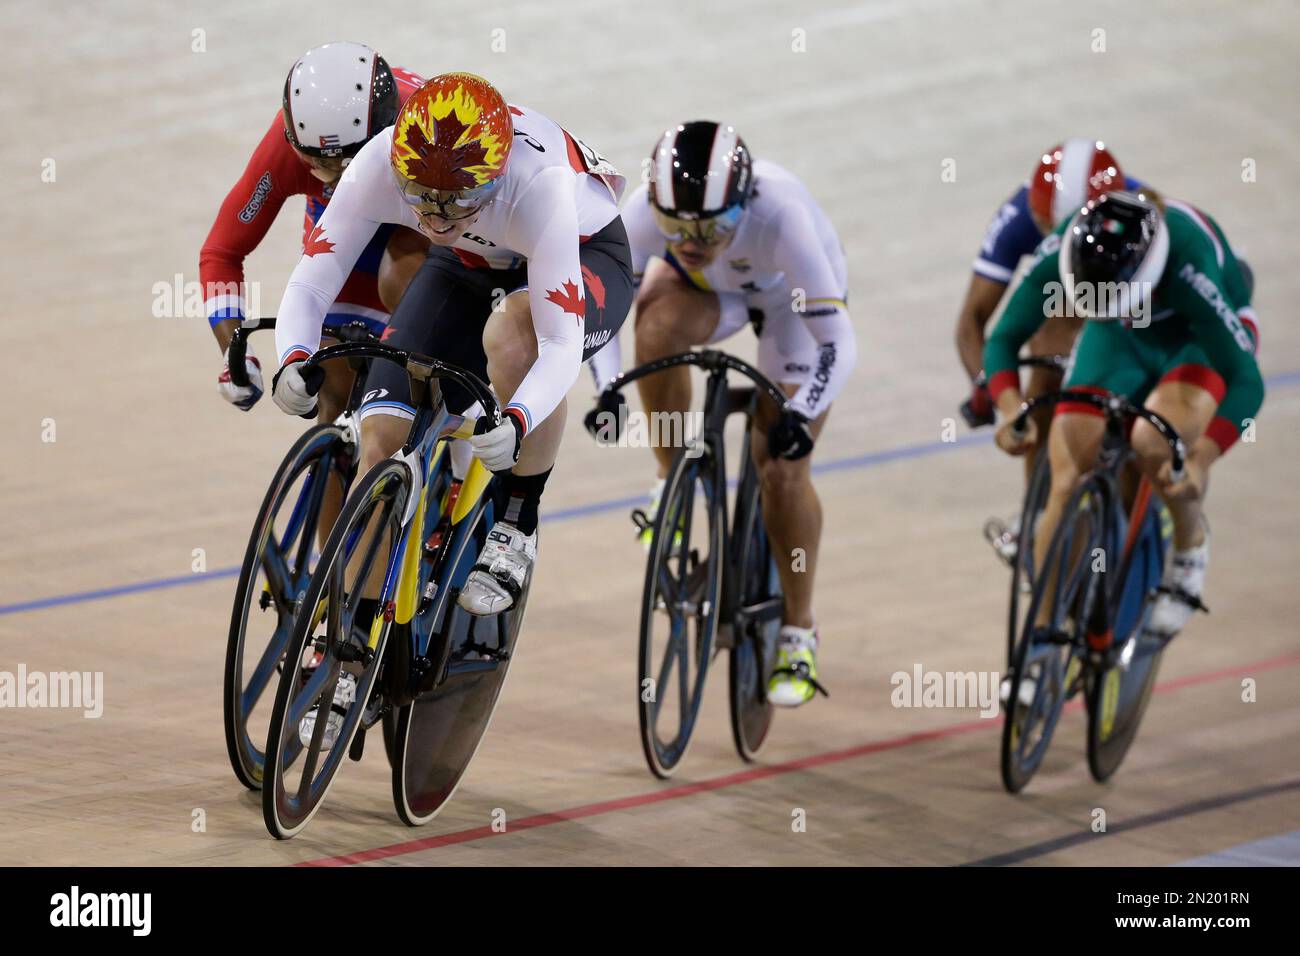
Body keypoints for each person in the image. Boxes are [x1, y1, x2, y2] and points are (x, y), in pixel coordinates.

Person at [270, 72, 633, 631]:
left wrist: (518, 418)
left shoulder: (539, 186)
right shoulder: (379, 163)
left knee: (514, 338)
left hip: (583, 253)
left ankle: (517, 522)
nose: (436, 217)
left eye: (456, 201)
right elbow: (312, 283)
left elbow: (559, 345)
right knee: (380, 442)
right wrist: (294, 355)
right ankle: (354, 643)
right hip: (469, 263)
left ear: (493, 179)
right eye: (420, 199)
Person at [589, 121, 858, 707]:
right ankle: (670, 480)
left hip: (793, 302)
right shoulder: (642, 212)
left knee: (781, 468)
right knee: (654, 328)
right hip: (711, 290)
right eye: (676, 226)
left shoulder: (781, 215)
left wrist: (801, 413)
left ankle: (798, 629)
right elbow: (605, 311)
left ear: (745, 201)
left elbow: (839, 341)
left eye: (712, 226)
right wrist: (606, 387)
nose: (691, 238)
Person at [984, 190, 1262, 643]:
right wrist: (1010, 407)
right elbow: (1004, 338)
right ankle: (1041, 636)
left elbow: (1248, 383)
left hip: (1193, 338)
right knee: (1066, 470)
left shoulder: (1190, 266)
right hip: (1120, 331)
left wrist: (1202, 459)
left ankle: (1189, 548)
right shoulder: (1071, 245)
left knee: (1156, 444)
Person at [204, 41, 429, 420]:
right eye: (322, 168)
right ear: (299, 146)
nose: (342, 184)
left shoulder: (422, 134)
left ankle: (449, 436)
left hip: (414, 215)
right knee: (333, 397)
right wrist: (234, 353)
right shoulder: (286, 149)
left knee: (411, 315)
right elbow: (222, 254)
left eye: (349, 168)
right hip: (336, 223)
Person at [954, 140, 1136, 562]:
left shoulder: (1129, 216)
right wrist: (990, 389)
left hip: (1117, 279)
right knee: (1043, 349)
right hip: (1058, 284)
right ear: (1038, 217)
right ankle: (1033, 507)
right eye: (1047, 230)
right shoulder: (1019, 218)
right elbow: (972, 321)